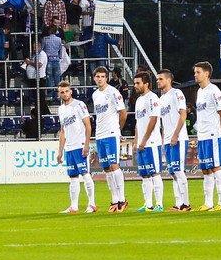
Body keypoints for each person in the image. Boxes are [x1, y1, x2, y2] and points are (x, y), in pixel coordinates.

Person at [91, 66, 128, 213]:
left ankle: (122, 199)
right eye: (97, 77)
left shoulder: (113, 92)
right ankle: (114, 200)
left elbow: (123, 113)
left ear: (106, 78)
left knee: (114, 165)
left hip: (111, 133)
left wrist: (117, 129)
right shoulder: (95, 95)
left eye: (102, 76)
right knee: (106, 168)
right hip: (99, 134)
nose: (99, 79)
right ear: (94, 78)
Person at [56, 81, 96, 214]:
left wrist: (86, 144)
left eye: (67, 91)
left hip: (79, 145)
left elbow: (88, 125)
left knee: (85, 174)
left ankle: (92, 204)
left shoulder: (79, 105)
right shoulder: (61, 109)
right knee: (73, 176)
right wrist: (60, 151)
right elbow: (63, 131)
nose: (65, 94)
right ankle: (74, 206)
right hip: (69, 148)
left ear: (71, 91)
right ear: (59, 93)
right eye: (62, 92)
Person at [194, 61, 221, 211]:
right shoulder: (199, 92)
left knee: (215, 167)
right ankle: (208, 203)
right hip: (202, 136)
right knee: (206, 169)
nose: (195, 75)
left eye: (198, 72)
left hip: (213, 134)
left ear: (207, 74)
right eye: (195, 72)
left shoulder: (214, 90)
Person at [131, 71, 164, 213]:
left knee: (155, 173)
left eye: (138, 83)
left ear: (146, 84)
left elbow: (153, 119)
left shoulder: (153, 98)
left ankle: (159, 204)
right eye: (134, 83)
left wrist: (144, 140)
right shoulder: (139, 101)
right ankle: (148, 204)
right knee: (144, 174)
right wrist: (136, 140)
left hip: (151, 143)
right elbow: (139, 123)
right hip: (142, 144)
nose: (135, 86)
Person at [157, 69, 189, 211]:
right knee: (172, 172)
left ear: (169, 80)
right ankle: (178, 203)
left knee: (178, 170)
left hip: (179, 138)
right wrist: (165, 138)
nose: (158, 81)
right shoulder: (161, 99)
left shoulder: (177, 93)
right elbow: (164, 122)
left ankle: (186, 203)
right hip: (168, 140)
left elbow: (183, 114)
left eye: (161, 79)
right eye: (158, 79)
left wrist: (176, 134)